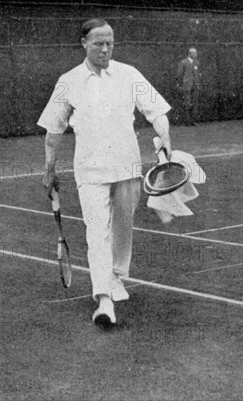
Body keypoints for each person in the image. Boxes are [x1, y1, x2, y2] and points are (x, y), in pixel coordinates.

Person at [38, 18, 173, 327]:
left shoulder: (129, 74)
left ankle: (114, 277)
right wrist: (49, 168)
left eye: (110, 42)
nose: (105, 48)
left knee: (122, 228)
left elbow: (158, 112)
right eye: (98, 43)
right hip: (90, 171)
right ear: (84, 44)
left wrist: (164, 138)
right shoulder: (68, 81)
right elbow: (53, 131)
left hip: (127, 166)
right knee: (96, 232)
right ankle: (103, 300)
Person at [176, 47, 202, 125]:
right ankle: (186, 121)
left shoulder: (197, 63)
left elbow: (199, 74)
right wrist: (180, 84)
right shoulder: (183, 62)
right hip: (186, 86)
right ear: (190, 54)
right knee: (187, 103)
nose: (196, 55)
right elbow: (179, 74)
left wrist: (198, 82)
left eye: (196, 53)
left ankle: (193, 121)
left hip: (195, 86)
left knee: (194, 103)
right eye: (194, 53)